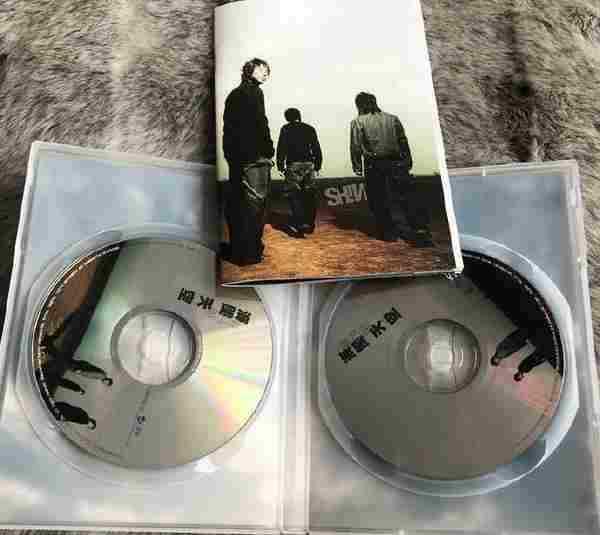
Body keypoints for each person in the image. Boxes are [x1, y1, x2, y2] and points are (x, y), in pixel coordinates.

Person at [350, 92, 429, 243]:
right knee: (407, 196)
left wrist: (357, 165)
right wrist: (408, 160)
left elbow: (355, 145)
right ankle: (420, 229)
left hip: (374, 164)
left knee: (378, 198)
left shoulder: (357, 121)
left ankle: (388, 233)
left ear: (359, 105)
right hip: (397, 161)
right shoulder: (393, 118)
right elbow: (403, 140)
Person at [223, 58, 275, 265]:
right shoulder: (253, 93)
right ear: (250, 70)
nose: (266, 74)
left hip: (238, 157)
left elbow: (228, 129)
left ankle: (242, 250)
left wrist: (231, 155)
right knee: (255, 204)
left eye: (267, 71)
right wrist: (268, 148)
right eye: (263, 70)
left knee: (239, 202)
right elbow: (260, 123)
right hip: (253, 157)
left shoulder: (235, 94)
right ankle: (251, 251)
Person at [276, 108, 323, 237]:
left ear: (287, 118)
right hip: (309, 164)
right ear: (299, 116)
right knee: (310, 194)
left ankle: (300, 223)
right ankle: (310, 223)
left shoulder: (285, 129)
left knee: (294, 194)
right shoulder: (309, 128)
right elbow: (316, 147)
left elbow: (281, 147)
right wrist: (318, 165)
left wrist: (280, 165)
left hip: (293, 164)